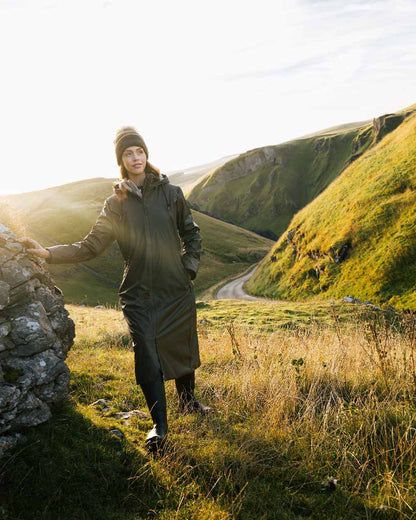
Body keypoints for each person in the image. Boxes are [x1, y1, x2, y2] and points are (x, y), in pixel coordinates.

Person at [18, 126, 211, 453]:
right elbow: (90, 246)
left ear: (146, 154)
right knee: (148, 355)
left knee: (180, 344)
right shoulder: (116, 204)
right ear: (121, 161)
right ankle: (159, 427)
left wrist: (187, 270)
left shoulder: (171, 193)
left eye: (139, 151)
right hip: (138, 293)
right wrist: (50, 254)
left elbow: (192, 237)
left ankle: (188, 402)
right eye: (128, 154)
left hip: (175, 288)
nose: (135, 158)